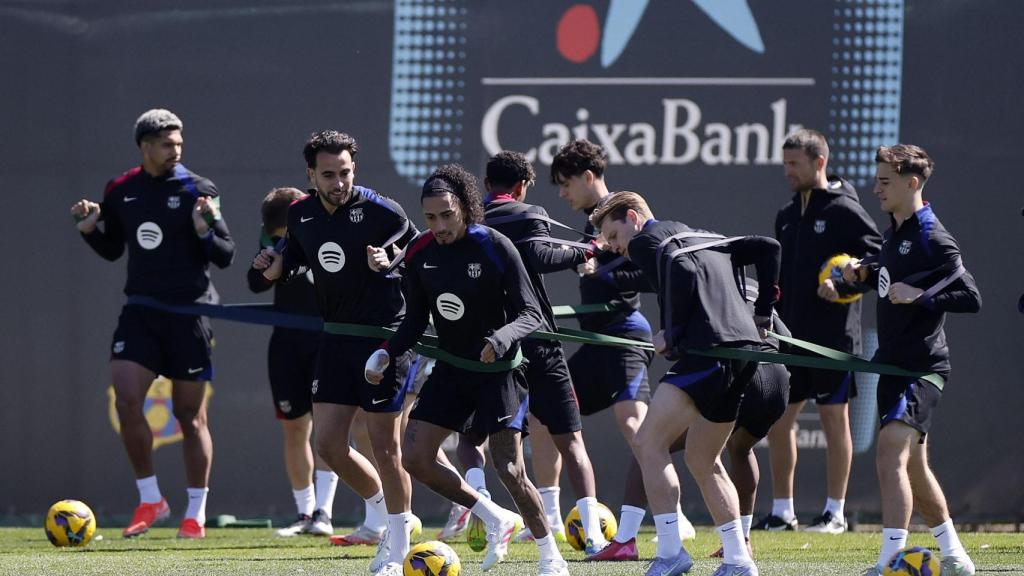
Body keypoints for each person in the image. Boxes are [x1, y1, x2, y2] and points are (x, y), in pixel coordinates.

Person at [364, 164, 569, 576]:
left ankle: (552, 558)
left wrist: (501, 339)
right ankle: (495, 518)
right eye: (430, 217)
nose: (439, 226)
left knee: (509, 469)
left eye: (447, 215)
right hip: (453, 369)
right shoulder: (420, 252)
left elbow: (532, 313)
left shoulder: (494, 245)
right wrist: (386, 352)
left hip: (500, 371)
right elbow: (414, 321)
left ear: (466, 208)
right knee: (416, 457)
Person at [592, 191, 782, 576]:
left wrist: (672, 334)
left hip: (708, 352)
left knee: (648, 443)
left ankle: (670, 552)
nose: (616, 246)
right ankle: (739, 560)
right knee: (702, 458)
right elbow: (768, 247)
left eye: (614, 236)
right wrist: (764, 312)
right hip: (745, 353)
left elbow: (683, 272)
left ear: (633, 218)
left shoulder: (645, 241)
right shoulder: (699, 235)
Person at [253, 131, 416, 576]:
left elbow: (419, 251)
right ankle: (388, 517)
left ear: (354, 169)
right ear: (311, 175)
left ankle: (398, 546)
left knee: (386, 449)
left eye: (345, 172)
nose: (339, 182)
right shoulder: (301, 214)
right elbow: (295, 259)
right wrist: (276, 267)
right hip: (335, 337)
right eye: (329, 175)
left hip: (382, 340)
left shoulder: (383, 210)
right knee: (327, 443)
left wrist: (391, 260)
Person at [70, 109, 235, 539]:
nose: (176, 150)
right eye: (166, 144)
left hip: (189, 315)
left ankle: (195, 511)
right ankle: (150, 499)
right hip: (141, 312)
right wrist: (89, 230)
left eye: (179, 143)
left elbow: (226, 253)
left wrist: (203, 230)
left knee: (189, 416)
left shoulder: (199, 189)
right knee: (127, 400)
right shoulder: (120, 189)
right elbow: (112, 249)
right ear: (145, 146)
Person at [551, 140, 695, 561]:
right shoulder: (591, 224)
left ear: (588, 177)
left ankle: (674, 515)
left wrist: (605, 273)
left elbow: (652, 275)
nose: (562, 193)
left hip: (624, 336)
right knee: (547, 414)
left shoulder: (625, 215)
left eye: (566, 183)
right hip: (597, 342)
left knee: (637, 426)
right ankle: (550, 517)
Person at [843, 145, 980, 576]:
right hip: (891, 365)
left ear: (912, 183)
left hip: (922, 370)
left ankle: (890, 561)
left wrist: (922, 296)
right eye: (877, 180)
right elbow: (891, 280)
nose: (876, 189)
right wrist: (864, 273)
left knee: (889, 456)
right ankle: (955, 556)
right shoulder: (894, 234)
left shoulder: (932, 236)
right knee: (914, 469)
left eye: (885, 181)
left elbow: (970, 296)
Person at [481, 151, 608, 556]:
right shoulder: (529, 212)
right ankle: (592, 536)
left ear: (487, 186)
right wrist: (588, 250)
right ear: (521, 187)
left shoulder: (469, 220)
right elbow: (539, 255)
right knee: (570, 440)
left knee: (496, 443)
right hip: (537, 341)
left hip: (492, 346)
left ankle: (497, 518)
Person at [758, 129, 882, 534]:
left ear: (819, 163)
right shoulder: (786, 215)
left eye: (794, 164)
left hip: (833, 337)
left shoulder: (845, 209)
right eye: (785, 163)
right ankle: (782, 512)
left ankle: (835, 513)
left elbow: (875, 258)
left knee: (833, 419)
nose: (787, 171)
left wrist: (843, 283)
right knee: (779, 421)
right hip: (791, 337)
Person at [246, 187, 339, 537]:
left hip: (327, 342)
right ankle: (304, 513)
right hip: (286, 344)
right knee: (295, 428)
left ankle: (324, 513)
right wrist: (273, 257)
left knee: (328, 428)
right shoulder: (274, 242)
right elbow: (254, 282)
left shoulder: (329, 235)